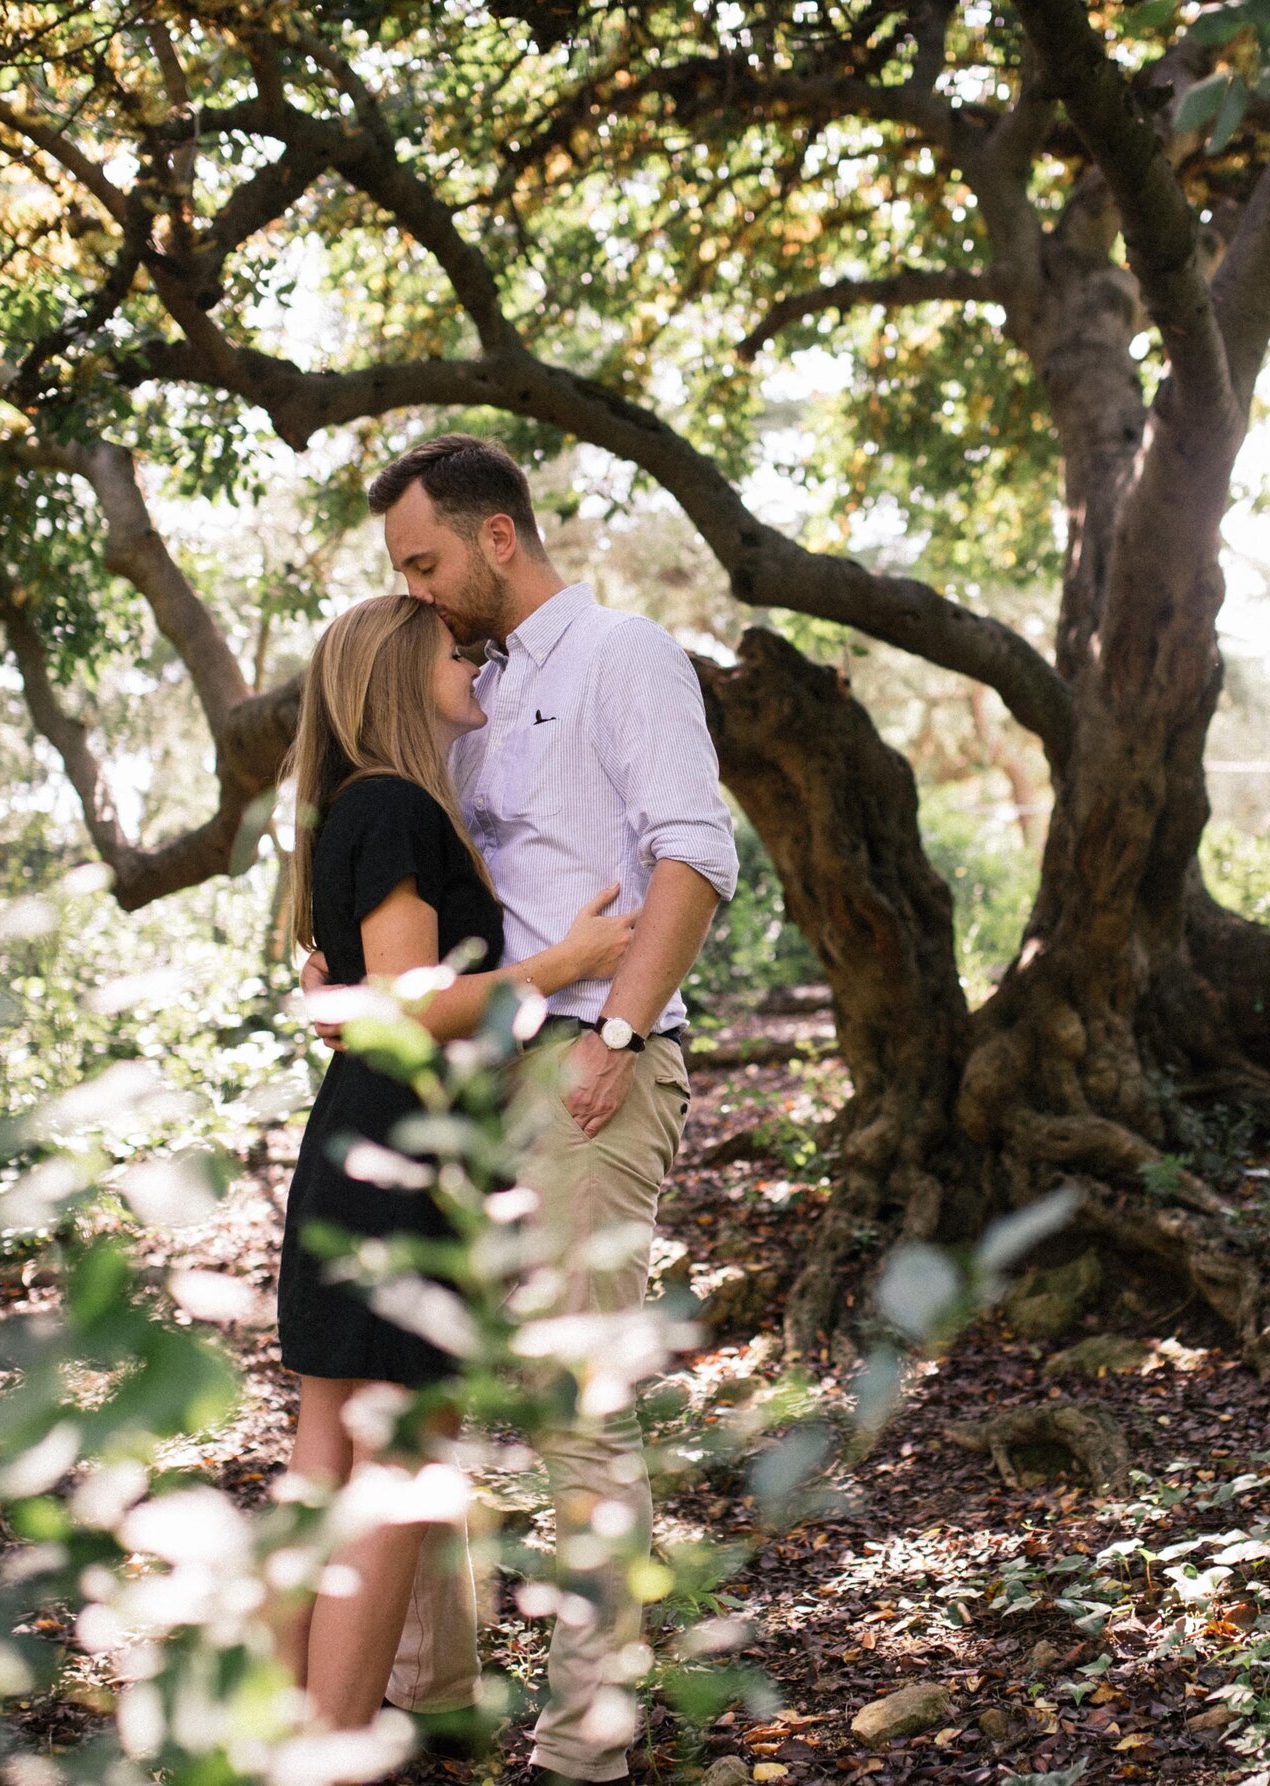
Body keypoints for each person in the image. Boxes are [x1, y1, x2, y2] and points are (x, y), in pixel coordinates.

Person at [313, 434, 738, 1784]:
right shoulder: (459, 699)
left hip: (583, 1065)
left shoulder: (626, 657)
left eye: (425, 559)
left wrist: (614, 1029)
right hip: (466, 1078)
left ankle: (582, 1745)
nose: (418, 588)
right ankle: (436, 1687)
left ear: (499, 537)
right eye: (402, 571)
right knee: (440, 1385)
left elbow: (693, 853)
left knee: (575, 1402)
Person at [273, 592, 639, 1735]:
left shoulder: (362, 806)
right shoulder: (389, 806)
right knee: (385, 1471)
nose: (473, 657)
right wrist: (567, 960)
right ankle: (326, 1751)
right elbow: (409, 1005)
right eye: (451, 647)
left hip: (365, 1148)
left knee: (328, 1460)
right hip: (397, 1162)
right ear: (394, 675)